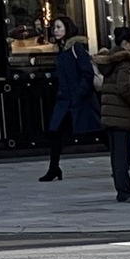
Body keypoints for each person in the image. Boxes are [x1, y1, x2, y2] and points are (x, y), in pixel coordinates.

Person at [40, 20, 100, 181]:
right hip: (65, 99)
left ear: (68, 28)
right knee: (55, 132)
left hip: (79, 99)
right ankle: (54, 168)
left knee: (98, 132)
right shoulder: (62, 50)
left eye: (59, 27)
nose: (55, 30)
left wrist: (80, 92)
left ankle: (120, 162)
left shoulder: (76, 48)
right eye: (54, 28)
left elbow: (86, 72)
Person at [94, 25, 130, 201]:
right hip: (122, 115)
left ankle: (123, 188)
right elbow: (124, 88)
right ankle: (124, 190)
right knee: (123, 155)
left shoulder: (110, 61)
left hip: (111, 115)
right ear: (125, 43)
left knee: (118, 155)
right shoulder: (124, 63)